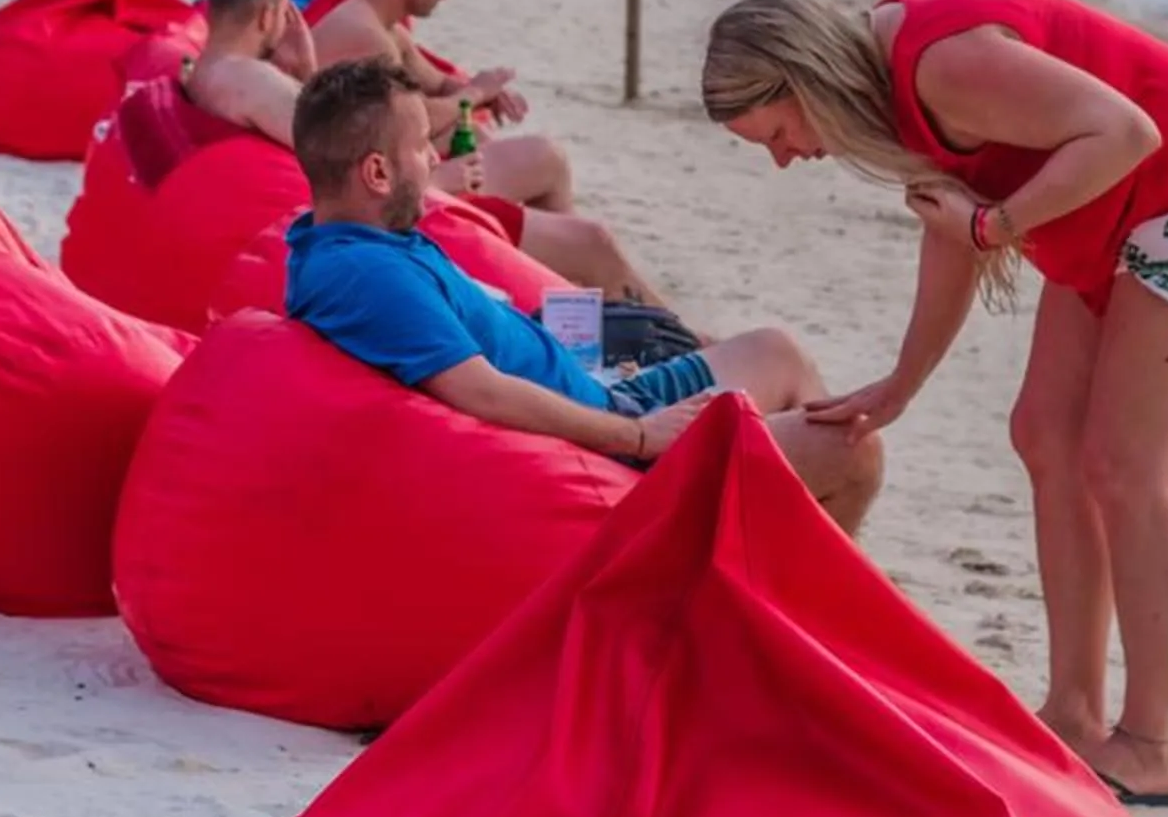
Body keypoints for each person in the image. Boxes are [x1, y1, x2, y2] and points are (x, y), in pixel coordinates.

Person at [700, 0, 1168, 807]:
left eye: (776, 134)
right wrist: (901, 386)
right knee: (1044, 437)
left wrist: (996, 226)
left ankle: (1153, 744)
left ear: (803, 80)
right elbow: (954, 234)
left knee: (1126, 467)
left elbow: (1126, 132)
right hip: (1117, 212)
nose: (784, 157)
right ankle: (1075, 714)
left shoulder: (941, 64)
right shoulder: (893, 90)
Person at [282, 60, 883, 528]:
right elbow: (481, 393)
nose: (435, 159)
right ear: (377, 173)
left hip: (604, 395)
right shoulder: (366, 275)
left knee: (777, 353)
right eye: (420, 148)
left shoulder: (360, 244)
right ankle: (796, 618)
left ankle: (779, 580)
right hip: (615, 446)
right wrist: (641, 435)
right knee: (855, 452)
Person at [182, 0, 664, 301]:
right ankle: (681, 343)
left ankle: (602, 310)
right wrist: (435, 183)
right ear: (269, 17)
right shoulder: (252, 80)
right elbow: (342, 152)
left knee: (571, 224)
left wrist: (305, 67)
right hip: (398, 213)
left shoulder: (209, 72)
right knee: (594, 241)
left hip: (360, 205)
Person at [309, 0, 577, 211]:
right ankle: (545, 243)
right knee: (551, 160)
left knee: (475, 134)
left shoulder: (384, 28)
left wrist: (487, 93)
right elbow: (417, 117)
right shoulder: (365, 35)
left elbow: (437, 83)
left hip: (373, 161)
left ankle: (533, 238)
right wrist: (475, 94)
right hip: (367, 185)